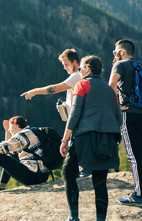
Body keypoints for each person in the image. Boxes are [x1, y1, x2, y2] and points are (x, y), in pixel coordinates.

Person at [58, 55, 122, 221]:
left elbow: (75, 113)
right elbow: (118, 118)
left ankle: (74, 218)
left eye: (81, 69)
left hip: (86, 136)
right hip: (108, 138)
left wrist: (65, 139)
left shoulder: (83, 84)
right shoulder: (111, 91)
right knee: (100, 183)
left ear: (87, 68)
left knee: (68, 173)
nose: (79, 72)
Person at [20, 48, 90, 178]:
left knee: (76, 152)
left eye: (66, 64)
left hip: (78, 122)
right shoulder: (76, 76)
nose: (64, 67)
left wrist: (35, 91)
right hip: (76, 121)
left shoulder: (76, 76)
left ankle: (83, 175)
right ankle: (82, 173)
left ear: (75, 62)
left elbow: (55, 89)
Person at [109, 39, 142, 206]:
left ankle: (139, 194)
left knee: (133, 155)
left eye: (115, 52)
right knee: (140, 147)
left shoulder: (120, 66)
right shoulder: (140, 66)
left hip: (130, 114)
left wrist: (115, 107)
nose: (113, 55)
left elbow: (111, 85)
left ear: (122, 51)